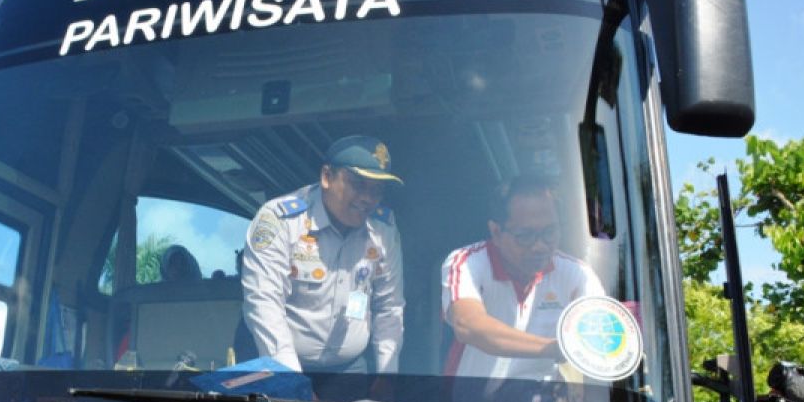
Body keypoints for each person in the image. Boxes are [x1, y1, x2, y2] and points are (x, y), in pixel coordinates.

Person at [240, 135, 404, 374]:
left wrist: (387, 376)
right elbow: (265, 304)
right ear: (327, 177)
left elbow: (390, 306)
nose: (368, 198)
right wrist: (292, 382)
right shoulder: (279, 219)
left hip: (347, 369)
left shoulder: (383, 228)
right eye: (358, 184)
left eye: (377, 190)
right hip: (274, 361)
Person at [441, 178, 603, 384]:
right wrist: (557, 348)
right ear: (496, 232)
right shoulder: (467, 263)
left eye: (549, 232)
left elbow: (600, 343)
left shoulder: (576, 274)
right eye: (525, 236)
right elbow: (468, 325)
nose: (540, 246)